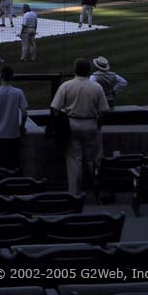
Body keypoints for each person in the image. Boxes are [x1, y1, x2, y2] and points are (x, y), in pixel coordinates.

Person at [51, 58, 110, 197]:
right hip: (91, 124)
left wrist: (63, 122)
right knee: (93, 159)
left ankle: (74, 194)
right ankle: (96, 189)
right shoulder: (96, 87)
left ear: (75, 70)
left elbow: (55, 109)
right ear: (88, 71)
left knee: (74, 161)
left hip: (72, 124)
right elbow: (104, 111)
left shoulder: (66, 85)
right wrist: (97, 124)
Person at [0, 65, 28, 170]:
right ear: (12, 77)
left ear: (0, 77)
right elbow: (24, 113)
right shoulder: (18, 92)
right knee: (13, 164)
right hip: (13, 135)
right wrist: (22, 126)